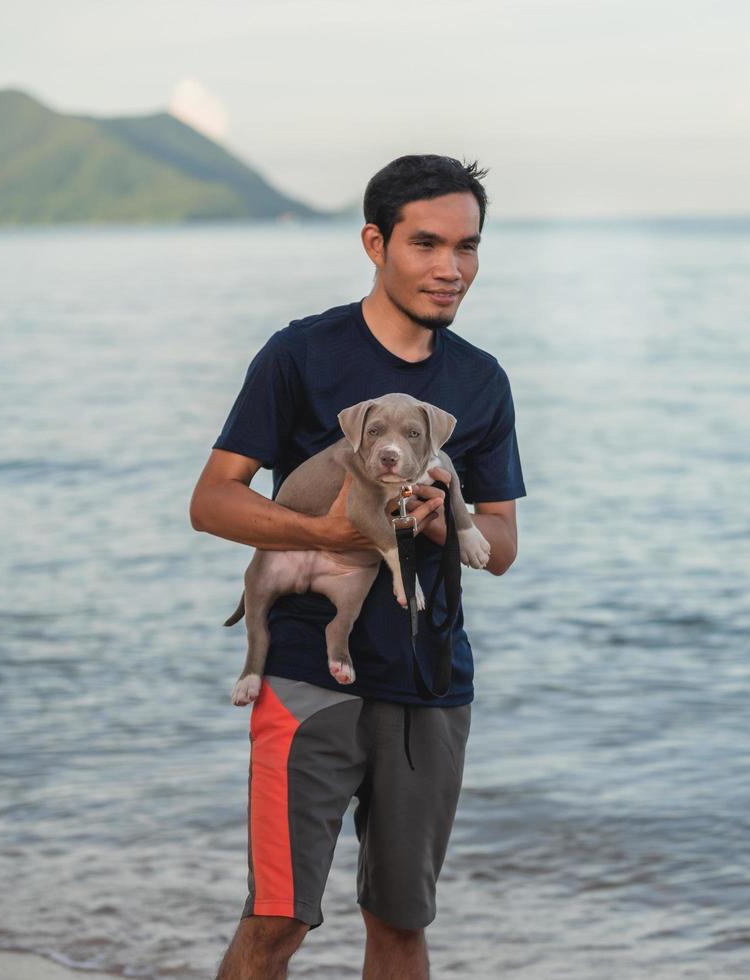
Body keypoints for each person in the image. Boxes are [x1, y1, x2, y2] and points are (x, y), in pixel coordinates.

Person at [190, 154, 526, 980]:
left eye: (468, 247)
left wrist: (442, 526)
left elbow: (503, 543)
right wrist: (332, 533)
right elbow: (213, 502)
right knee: (277, 920)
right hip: (308, 675)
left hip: (430, 680)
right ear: (374, 243)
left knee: (400, 927)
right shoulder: (301, 354)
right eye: (426, 244)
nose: (451, 269)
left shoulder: (479, 383)